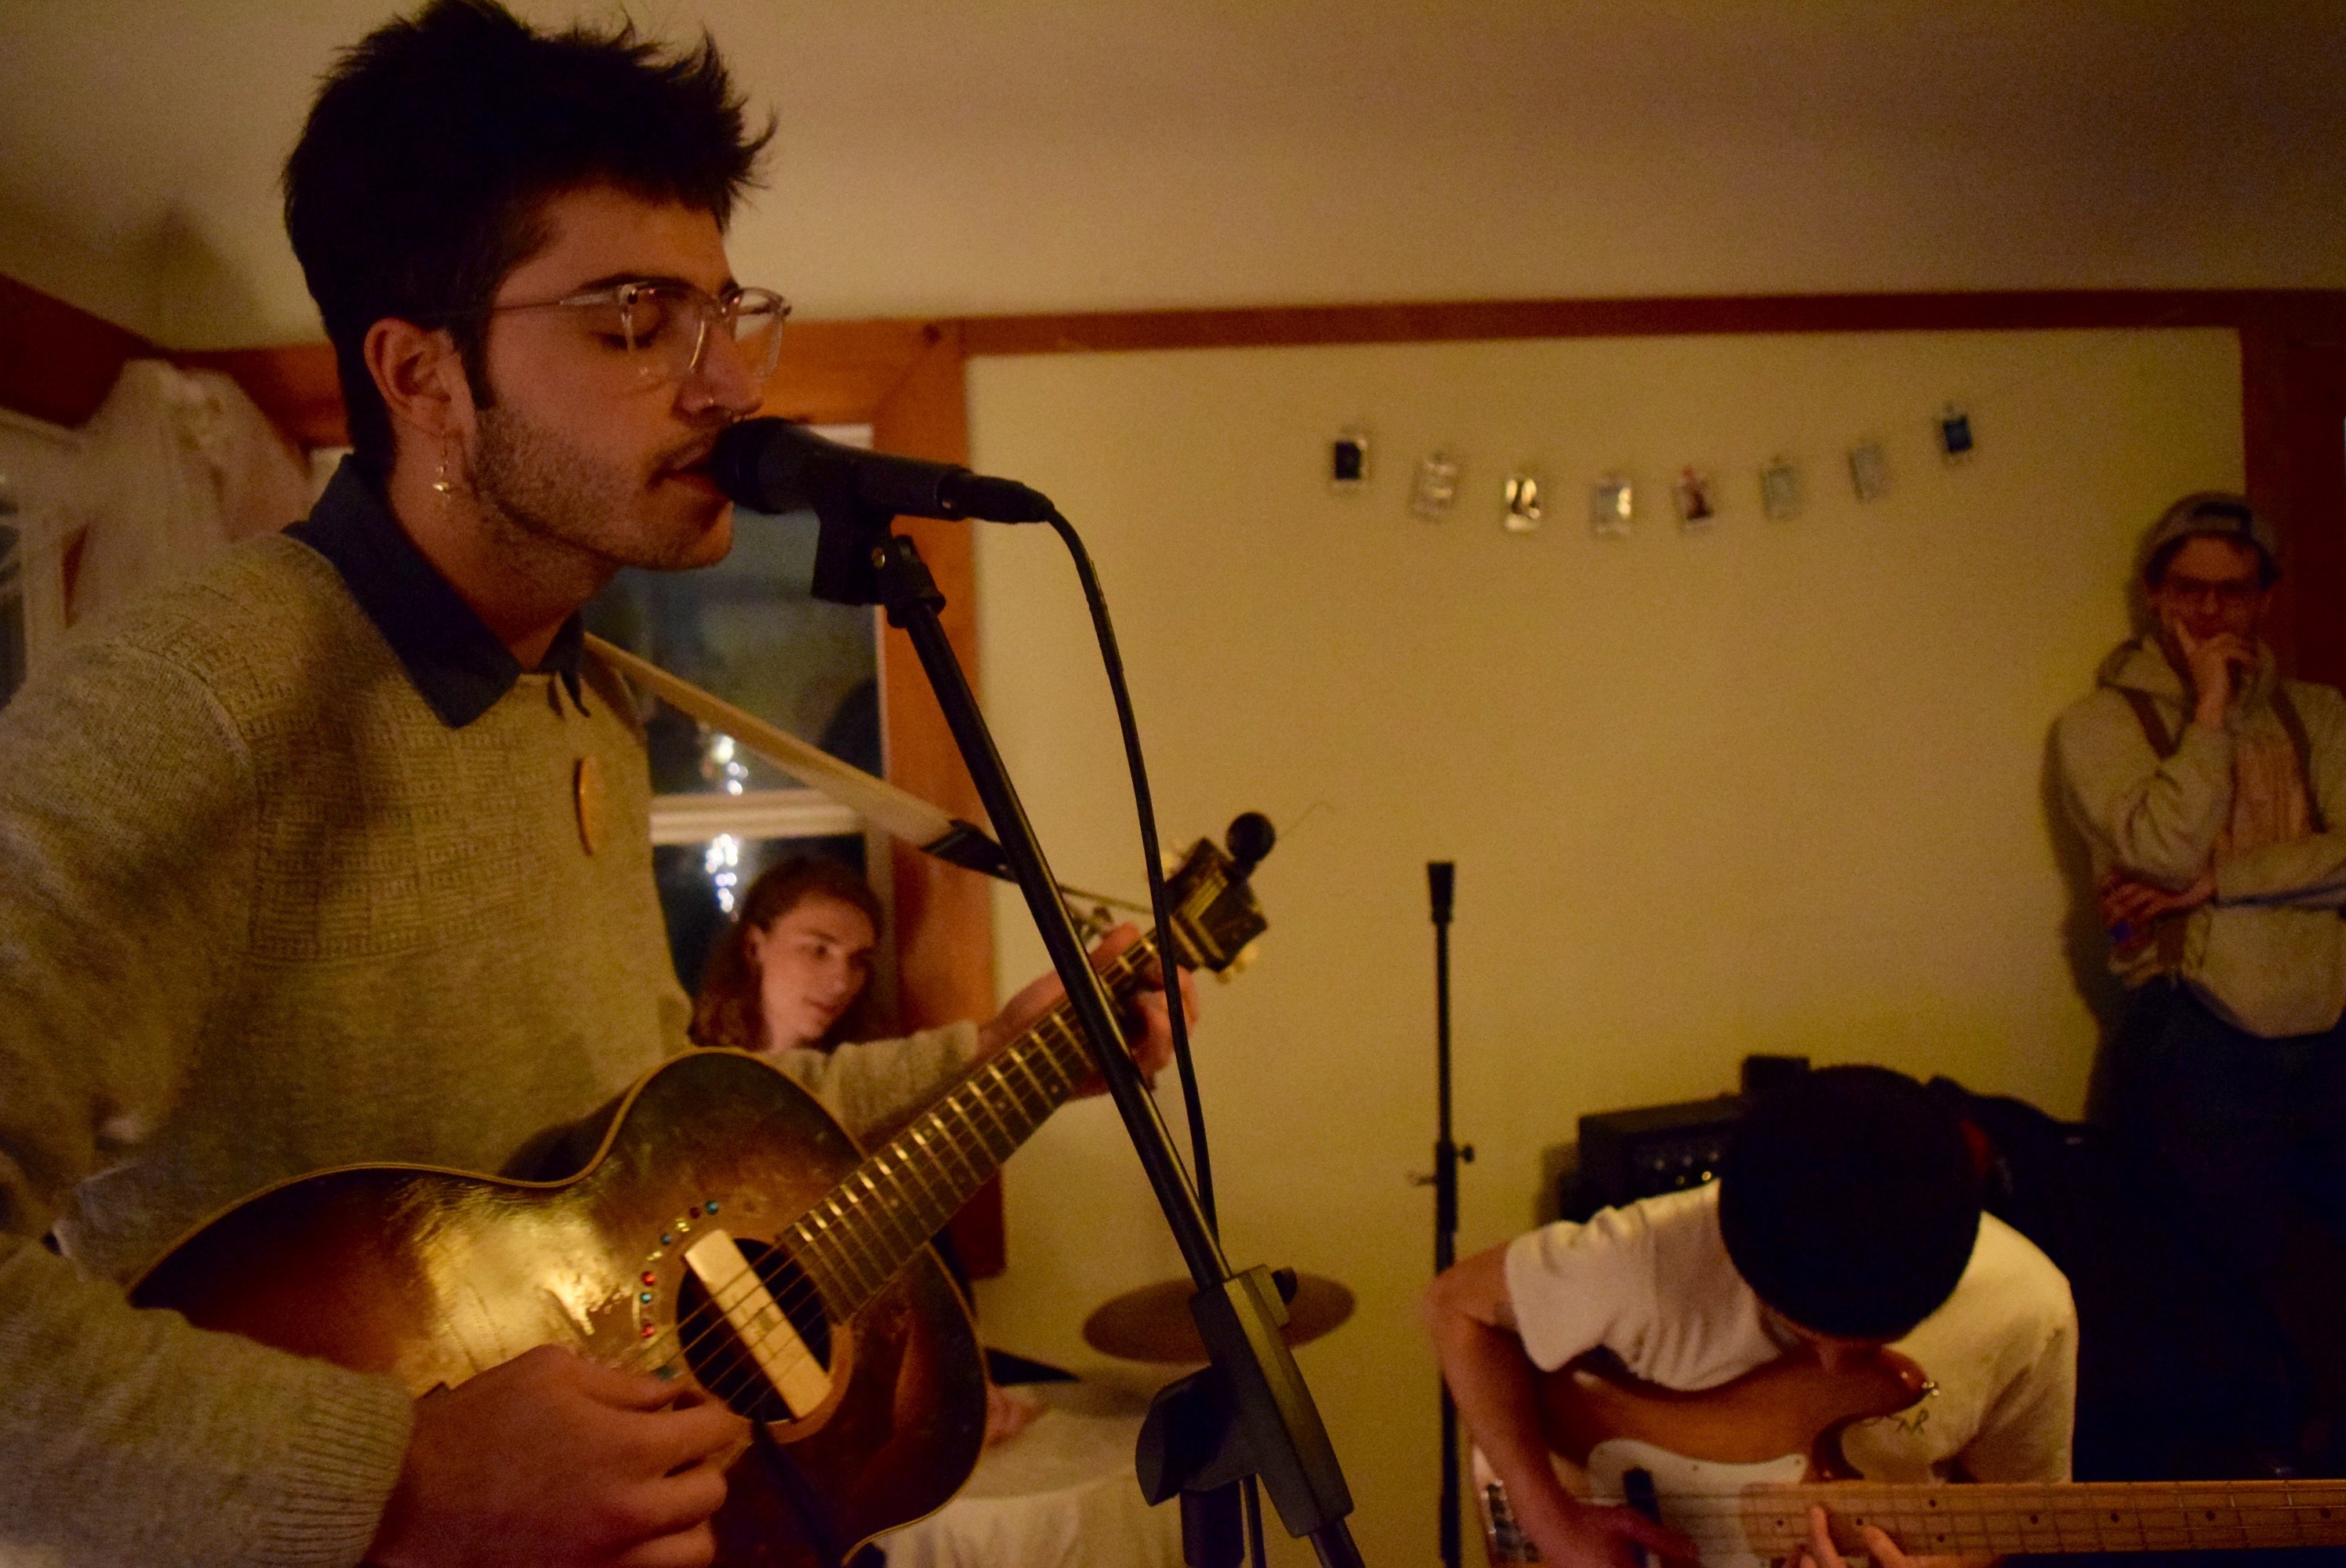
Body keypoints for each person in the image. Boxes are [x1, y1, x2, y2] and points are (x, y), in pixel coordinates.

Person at [0, 5, 1182, 1566]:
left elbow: (664, 1142)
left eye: (721, 315)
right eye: (634, 322)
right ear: (424, 375)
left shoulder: (586, 702)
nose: (723, 385)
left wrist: (1001, 1060)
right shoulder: (186, 709)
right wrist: (397, 1473)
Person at [1423, 1065, 2076, 1568]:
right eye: (1796, 1331)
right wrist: (1549, 1517)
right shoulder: (1650, 1254)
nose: (1830, 1368)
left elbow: (2013, 1516)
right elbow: (1455, 1306)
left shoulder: (2025, 1306)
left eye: (1864, 1347)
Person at [2053, 492, 2346, 1283]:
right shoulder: (2099, 725)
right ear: (2156, 593)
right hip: (2196, 1037)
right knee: (2211, 1286)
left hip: (2330, 1029)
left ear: (2265, 599)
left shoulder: (2318, 713)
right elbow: (2163, 855)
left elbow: (2196, 873)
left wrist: (2223, 880)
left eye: (2233, 591)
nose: (2210, 610)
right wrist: (2209, 712)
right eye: (2189, 588)